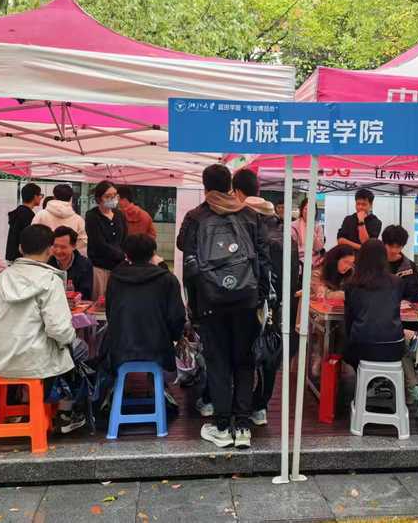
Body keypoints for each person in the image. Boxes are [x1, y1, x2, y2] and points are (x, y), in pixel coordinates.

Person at [177, 164, 270, 450]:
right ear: (230, 185)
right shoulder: (250, 215)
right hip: (247, 301)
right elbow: (264, 259)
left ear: (205, 187)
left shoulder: (196, 217)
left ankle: (221, 426)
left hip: (210, 301)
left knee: (218, 363)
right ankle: (242, 427)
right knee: (244, 362)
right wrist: (260, 297)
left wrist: (193, 306)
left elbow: (186, 254)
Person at [0, 224, 85, 433]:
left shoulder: (2, 278)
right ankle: (65, 413)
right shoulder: (50, 280)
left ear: (20, 248)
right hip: (36, 362)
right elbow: (59, 329)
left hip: (0, 358)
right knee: (80, 350)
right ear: (50, 250)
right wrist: (71, 340)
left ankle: (23, 406)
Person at [232, 168, 297, 425]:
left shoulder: (243, 230)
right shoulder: (285, 233)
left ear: (238, 193)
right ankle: (261, 406)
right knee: (270, 353)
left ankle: (242, 407)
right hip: (278, 306)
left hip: (248, 304)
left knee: (245, 356)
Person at [103, 234, 186, 373]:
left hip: (121, 350)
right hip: (159, 350)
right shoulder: (167, 279)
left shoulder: (115, 278)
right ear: (153, 253)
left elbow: (110, 314)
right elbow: (177, 317)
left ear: (126, 255)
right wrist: (173, 337)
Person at [343, 239, 406, 369]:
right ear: (384, 258)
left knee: (347, 350)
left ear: (361, 257)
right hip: (394, 346)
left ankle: (362, 380)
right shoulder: (397, 282)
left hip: (363, 345)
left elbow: (349, 317)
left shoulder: (352, 284)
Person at [85, 181, 127, 300]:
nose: (112, 199)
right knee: (100, 300)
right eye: (108, 196)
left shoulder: (119, 215)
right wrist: (120, 254)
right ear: (99, 199)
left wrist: (124, 254)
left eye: (114, 195)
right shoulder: (92, 216)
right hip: (100, 267)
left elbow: (124, 238)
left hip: (118, 267)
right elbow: (98, 242)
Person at [32, 184, 87, 253]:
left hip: (44, 256)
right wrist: (69, 250)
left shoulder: (40, 215)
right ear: (70, 198)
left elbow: (32, 236)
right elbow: (83, 241)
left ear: (54, 197)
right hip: (67, 257)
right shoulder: (78, 219)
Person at [49, 226, 94, 301]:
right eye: (55, 246)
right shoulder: (47, 263)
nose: (58, 251)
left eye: (63, 247)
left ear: (74, 246)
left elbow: (85, 295)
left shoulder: (85, 265)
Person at [382, 225, 418, 303]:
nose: (394, 250)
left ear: (403, 245)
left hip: (402, 308)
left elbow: (415, 295)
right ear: (384, 243)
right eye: (390, 246)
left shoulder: (410, 267)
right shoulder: (375, 264)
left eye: (398, 247)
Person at [6, 183, 42, 261]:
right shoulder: (28, 215)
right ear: (35, 196)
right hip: (21, 258)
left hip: (11, 255)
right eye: (40, 195)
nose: (41, 198)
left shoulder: (17, 212)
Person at [291, 197, 325, 266]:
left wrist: (311, 229)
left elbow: (318, 247)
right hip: (298, 260)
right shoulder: (293, 226)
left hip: (315, 261)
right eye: (306, 209)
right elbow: (293, 248)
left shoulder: (318, 226)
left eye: (312, 209)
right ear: (302, 210)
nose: (308, 211)